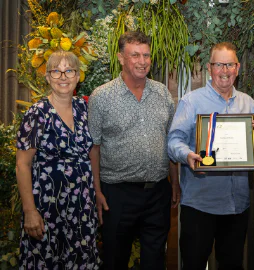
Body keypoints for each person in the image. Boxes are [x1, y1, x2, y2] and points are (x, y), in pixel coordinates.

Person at [88, 31, 180, 270]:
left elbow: (170, 140)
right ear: (120, 58)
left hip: (157, 192)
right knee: (115, 260)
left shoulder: (162, 94)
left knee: (155, 261)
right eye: (135, 55)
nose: (142, 61)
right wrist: (97, 191)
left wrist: (175, 182)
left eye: (146, 55)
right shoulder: (102, 97)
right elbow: (94, 147)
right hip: (117, 194)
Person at [168, 42, 254, 270]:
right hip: (200, 205)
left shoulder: (248, 103)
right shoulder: (191, 101)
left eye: (229, 64)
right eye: (219, 64)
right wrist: (188, 155)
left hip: (236, 206)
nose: (224, 70)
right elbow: (173, 142)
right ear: (209, 68)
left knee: (232, 265)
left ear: (237, 68)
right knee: (193, 264)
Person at [16, 50, 101, 269]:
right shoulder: (37, 113)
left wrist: (97, 192)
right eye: (56, 71)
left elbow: (93, 153)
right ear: (47, 77)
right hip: (46, 208)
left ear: (78, 76)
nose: (63, 77)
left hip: (82, 206)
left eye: (69, 71)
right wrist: (29, 211)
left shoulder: (86, 110)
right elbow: (22, 165)